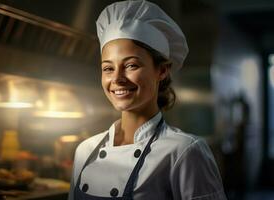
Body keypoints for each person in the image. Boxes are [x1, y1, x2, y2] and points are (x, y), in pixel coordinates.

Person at [68, 0, 227, 199]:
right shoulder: (85, 150)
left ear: (161, 70)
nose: (117, 78)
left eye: (131, 65)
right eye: (108, 68)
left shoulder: (184, 152)